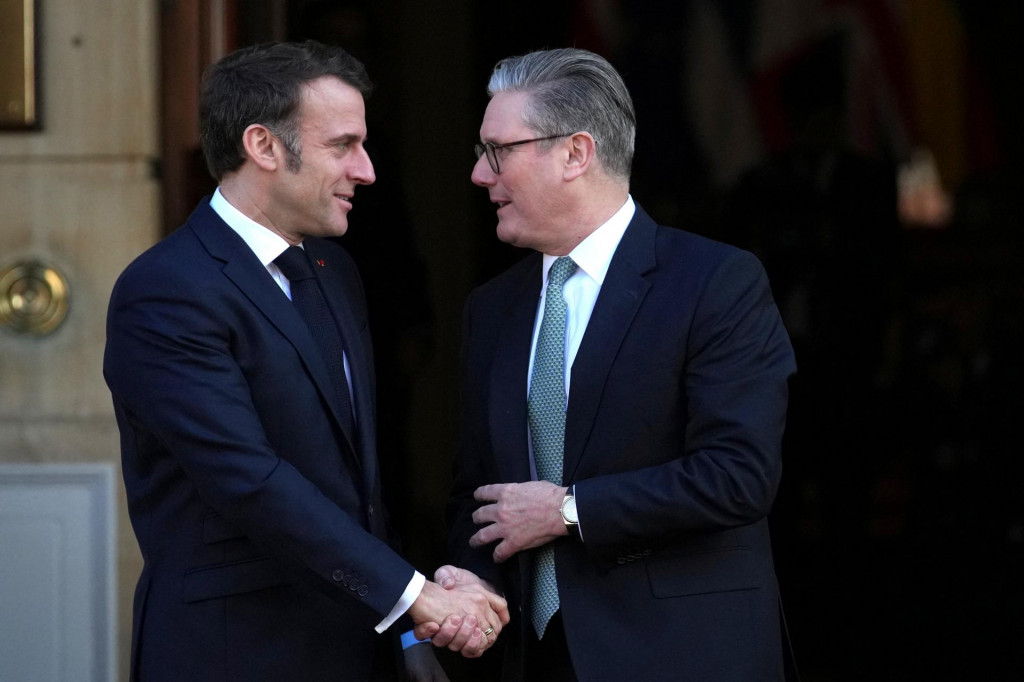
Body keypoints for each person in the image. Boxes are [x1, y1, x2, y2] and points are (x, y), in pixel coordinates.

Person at [103, 40, 507, 682]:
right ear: (263, 146)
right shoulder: (166, 291)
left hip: (357, 645)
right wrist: (416, 596)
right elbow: (248, 479)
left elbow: (360, 488)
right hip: (233, 651)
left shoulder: (333, 270)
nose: (367, 170)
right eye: (343, 145)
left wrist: (404, 632)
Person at [440, 47, 797, 680]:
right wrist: (465, 582)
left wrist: (569, 510)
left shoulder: (715, 282)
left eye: (499, 151)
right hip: (534, 657)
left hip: (681, 654)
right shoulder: (490, 309)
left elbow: (738, 474)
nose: (479, 174)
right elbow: (479, 491)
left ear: (575, 154)